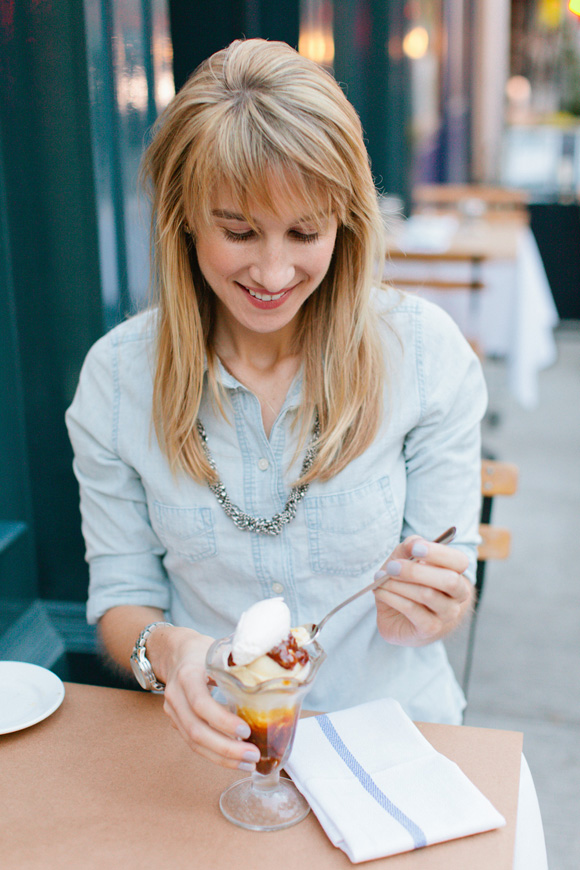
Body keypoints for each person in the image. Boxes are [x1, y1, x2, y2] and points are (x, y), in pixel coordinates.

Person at [66, 38, 486, 775]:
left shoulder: (424, 355)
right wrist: (168, 650)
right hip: (208, 758)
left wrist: (440, 605)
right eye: (237, 232)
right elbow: (121, 599)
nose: (272, 272)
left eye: (305, 232)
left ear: (347, 222)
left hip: (392, 744)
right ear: (183, 218)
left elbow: (452, 575)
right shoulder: (117, 378)